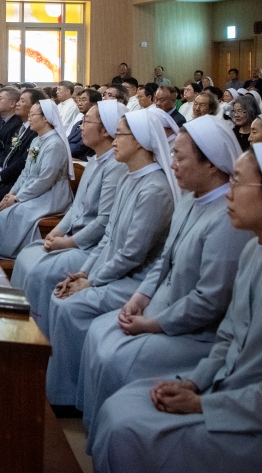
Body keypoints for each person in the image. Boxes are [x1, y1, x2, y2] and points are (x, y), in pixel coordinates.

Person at [91, 140, 262, 473]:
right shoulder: (256, 249)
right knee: (122, 405)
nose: (228, 194)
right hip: (235, 392)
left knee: (130, 431)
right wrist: (195, 382)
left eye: (237, 182)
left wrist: (203, 405)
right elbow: (229, 337)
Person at [78, 116, 249, 435]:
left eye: (180, 158)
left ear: (212, 164)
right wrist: (139, 298)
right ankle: (95, 426)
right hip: (161, 307)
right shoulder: (189, 200)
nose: (172, 165)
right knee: (99, 332)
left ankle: (117, 431)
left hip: (196, 332)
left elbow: (210, 301)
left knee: (118, 356)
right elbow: (164, 261)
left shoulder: (226, 219)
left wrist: (154, 324)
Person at [46, 110, 179, 408]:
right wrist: (83, 274)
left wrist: (92, 282)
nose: (114, 140)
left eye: (120, 135)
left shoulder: (155, 189)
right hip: (111, 272)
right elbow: (107, 238)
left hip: (135, 279)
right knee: (61, 295)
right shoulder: (130, 178)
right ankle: (63, 382)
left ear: (140, 141)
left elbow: (132, 255)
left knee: (70, 307)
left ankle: (69, 395)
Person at [12, 101, 129, 333]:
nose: (81, 127)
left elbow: (104, 221)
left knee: (40, 271)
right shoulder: (95, 160)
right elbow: (76, 207)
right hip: (75, 238)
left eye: (86, 121)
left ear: (106, 130)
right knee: (26, 256)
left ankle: (38, 335)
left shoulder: (115, 167)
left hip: (91, 247)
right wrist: (57, 231)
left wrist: (68, 242)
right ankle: (17, 325)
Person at [0, 99, 74, 258]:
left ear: (45, 118)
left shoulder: (55, 144)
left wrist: (18, 198)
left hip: (51, 195)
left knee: (4, 216)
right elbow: (26, 172)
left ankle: (1, 255)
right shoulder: (36, 140)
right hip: (32, 190)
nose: (29, 118)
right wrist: (11, 193)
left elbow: (45, 180)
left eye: (33, 115)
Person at [0, 89, 41, 216]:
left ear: (33, 107)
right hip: (5, 177)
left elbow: (22, 162)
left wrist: (2, 175)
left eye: (22, 101)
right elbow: (7, 151)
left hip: (14, 181)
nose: (18, 104)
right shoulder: (22, 128)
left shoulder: (34, 132)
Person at [68, 89, 100, 160]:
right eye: (79, 100)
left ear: (94, 103)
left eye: (83, 100)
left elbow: (80, 147)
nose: (79, 103)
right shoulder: (78, 123)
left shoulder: (95, 124)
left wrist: (62, 150)